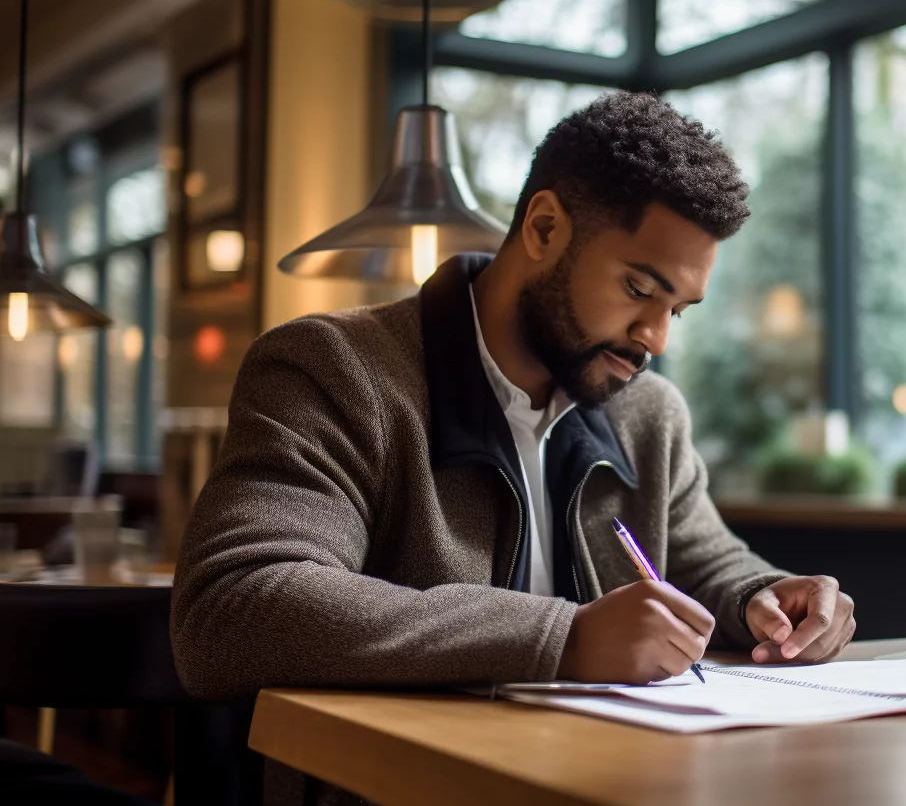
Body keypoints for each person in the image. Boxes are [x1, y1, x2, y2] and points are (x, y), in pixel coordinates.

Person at [169, 92, 857, 704]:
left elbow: (708, 561)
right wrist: (564, 638)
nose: (655, 337)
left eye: (677, 309)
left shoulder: (648, 413)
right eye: (640, 291)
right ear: (545, 228)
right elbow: (233, 608)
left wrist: (766, 598)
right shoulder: (336, 370)